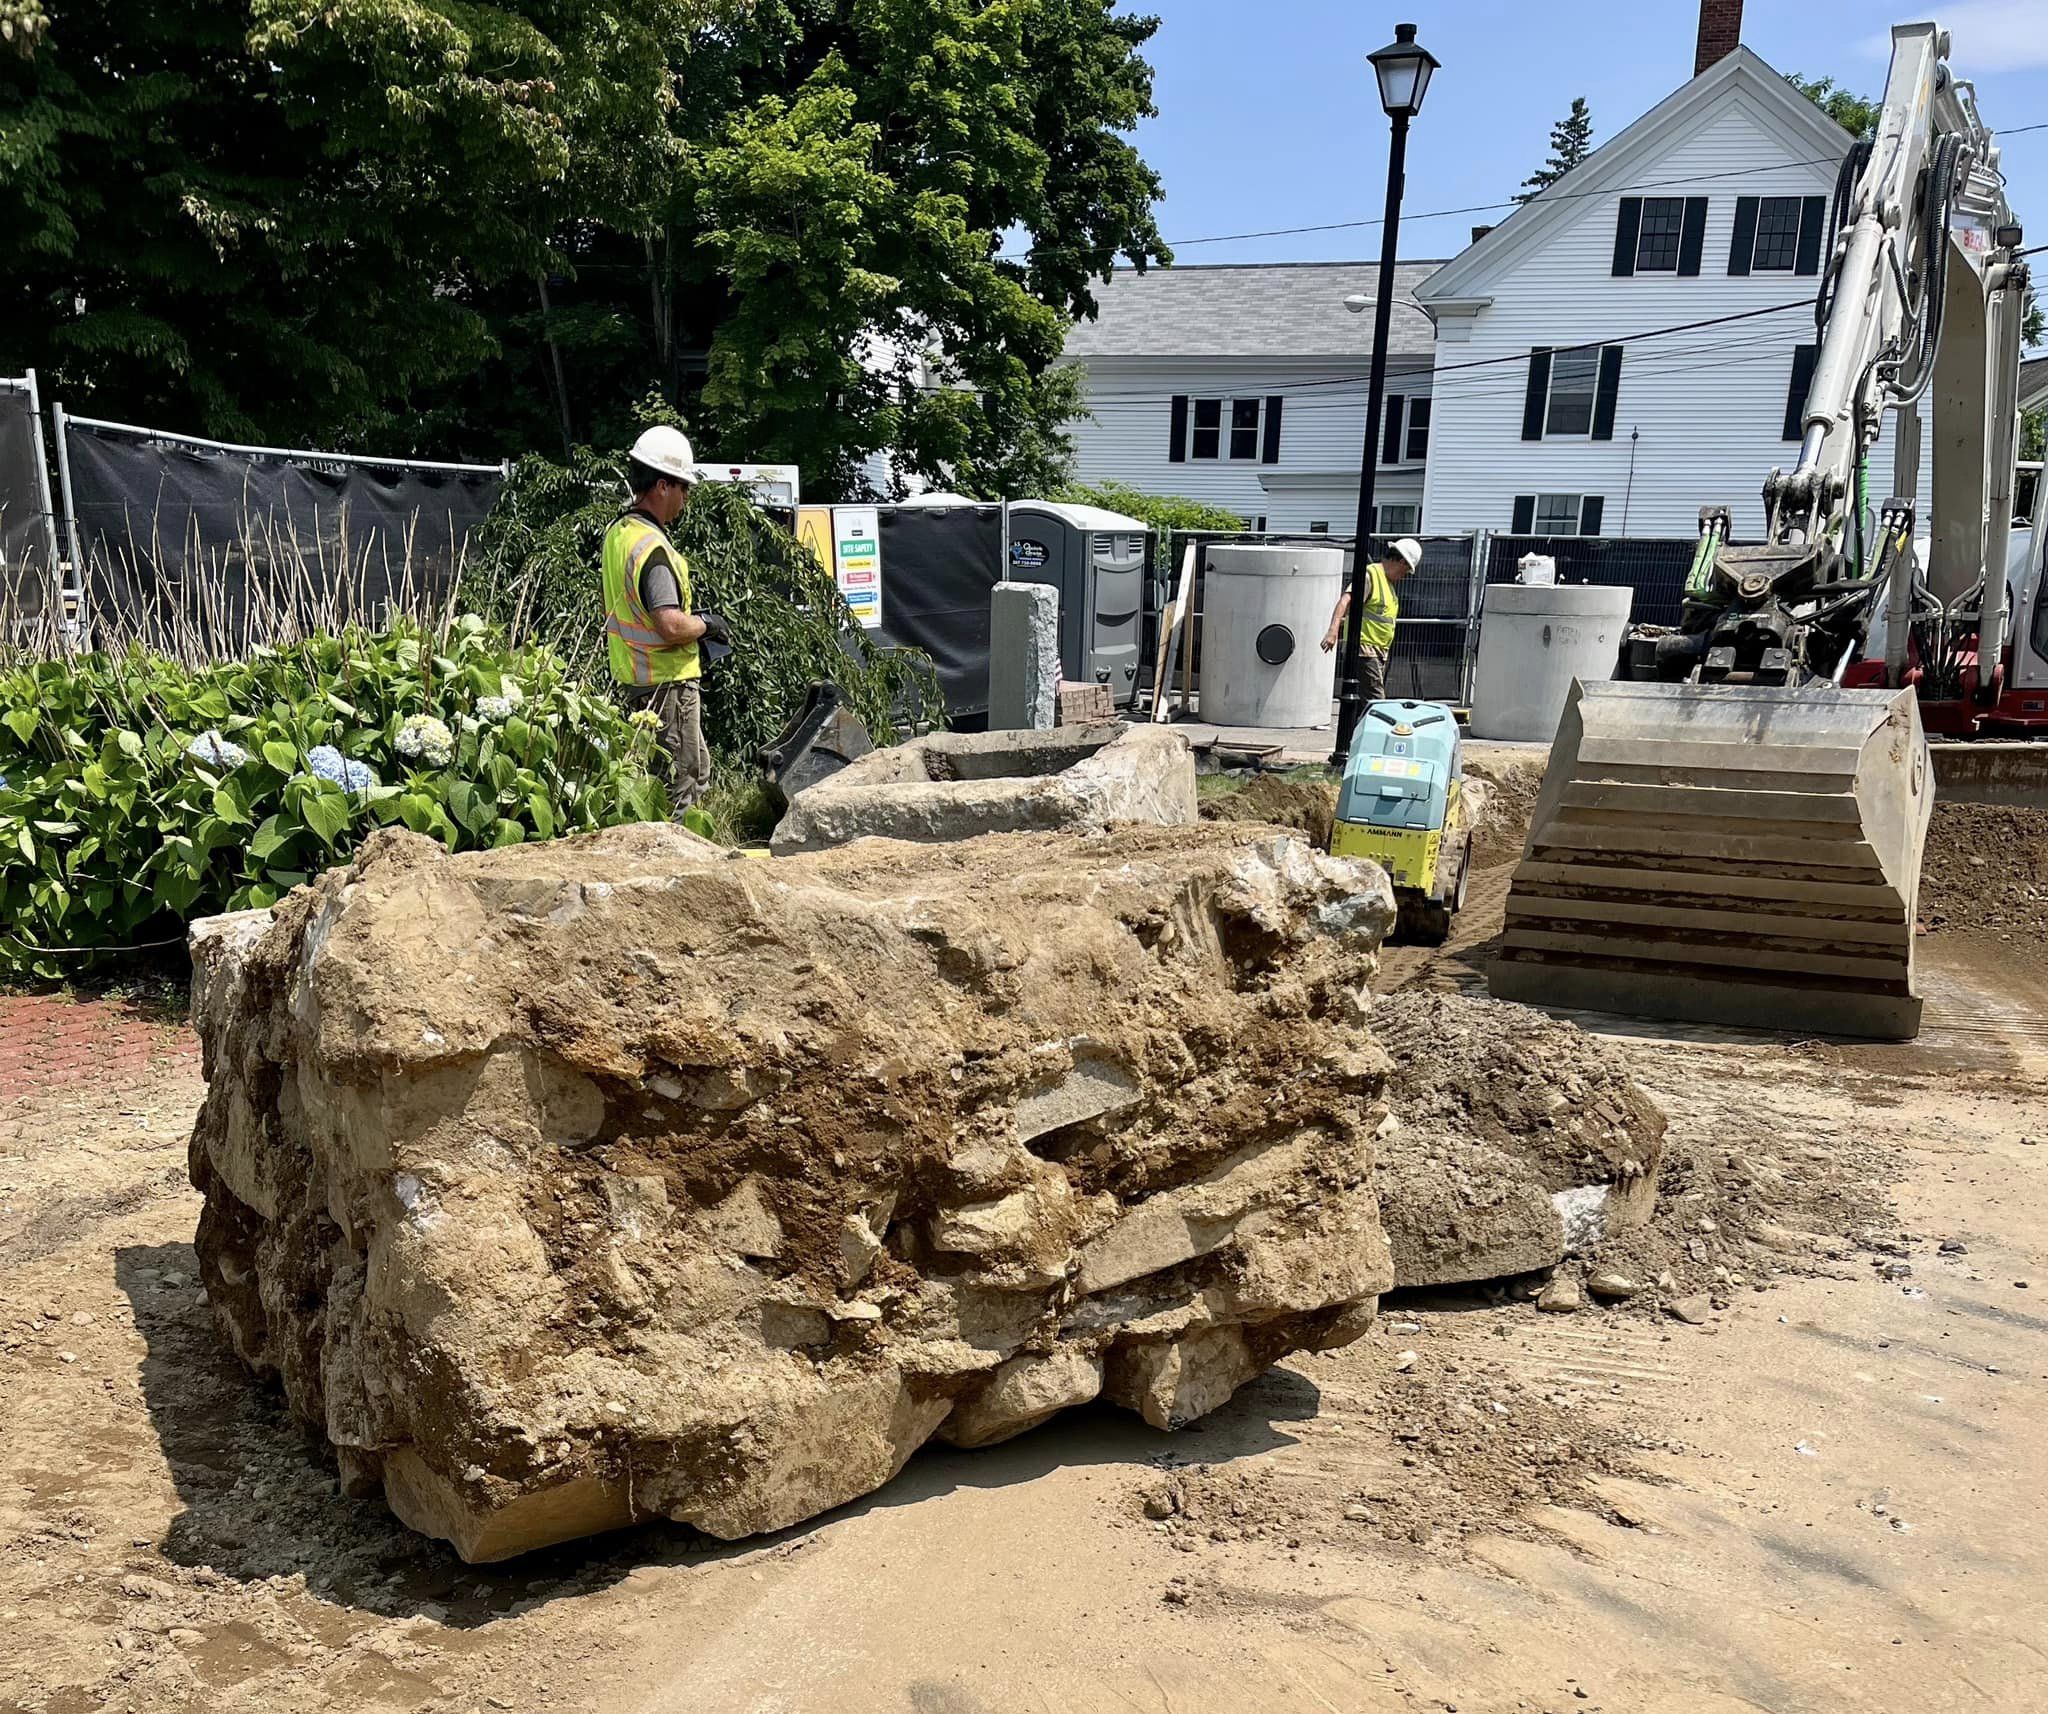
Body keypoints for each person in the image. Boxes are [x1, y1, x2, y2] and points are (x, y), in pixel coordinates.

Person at [601, 426, 727, 811]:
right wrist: (709, 625)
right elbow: (671, 625)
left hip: (638, 683)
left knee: (658, 784)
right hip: (667, 688)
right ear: (661, 486)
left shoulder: (618, 534)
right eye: (683, 487)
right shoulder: (653, 549)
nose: (685, 498)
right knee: (681, 787)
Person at [1321, 535, 1421, 701]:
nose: (1404, 576)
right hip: (1364, 649)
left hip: (1377, 652)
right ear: (1401, 562)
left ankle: (1357, 726)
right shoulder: (1371, 575)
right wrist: (1333, 631)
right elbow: (1346, 600)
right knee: (1376, 699)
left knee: (1365, 701)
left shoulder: (1388, 585)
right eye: (1406, 571)